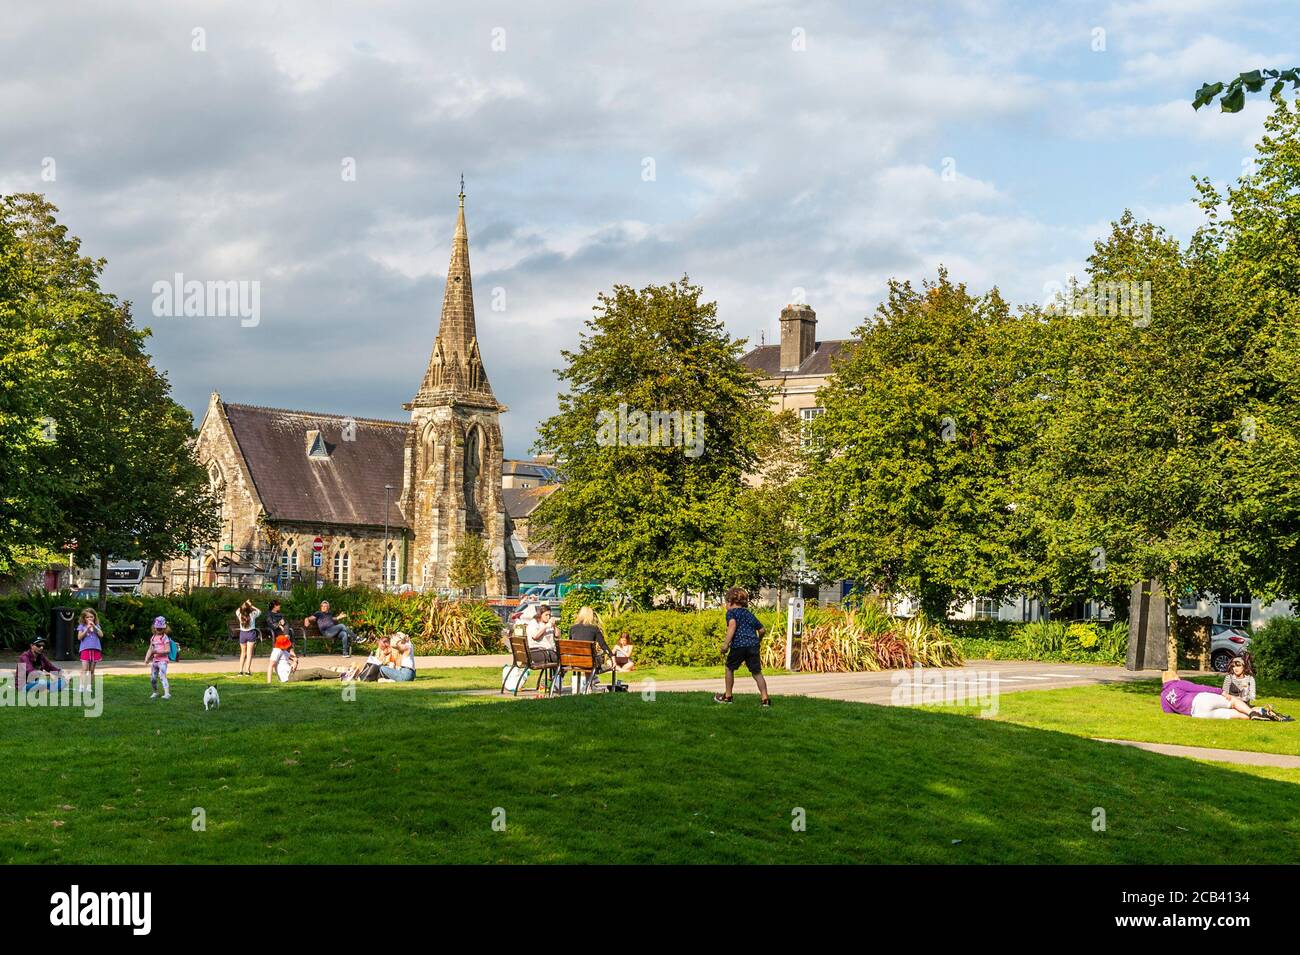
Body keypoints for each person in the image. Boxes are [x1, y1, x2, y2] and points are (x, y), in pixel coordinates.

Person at [714, 587, 771, 707]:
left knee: (729, 668)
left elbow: (732, 626)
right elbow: (762, 630)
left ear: (730, 602)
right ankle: (765, 699)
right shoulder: (749, 614)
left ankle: (728, 696)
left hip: (739, 645)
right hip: (753, 646)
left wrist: (725, 644)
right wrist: (758, 641)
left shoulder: (731, 613)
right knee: (757, 672)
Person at [1159, 678, 1285, 720]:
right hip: (1201, 700)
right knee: (1235, 702)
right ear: (1174, 678)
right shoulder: (1177, 683)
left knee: (1236, 714)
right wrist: (1220, 691)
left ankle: (1264, 715)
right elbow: (1198, 688)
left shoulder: (1163, 696)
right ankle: (1254, 712)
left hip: (1197, 713)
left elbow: (1168, 712)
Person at [567, 606, 614, 690]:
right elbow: (603, 645)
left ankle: (589, 685)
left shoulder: (572, 628)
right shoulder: (594, 629)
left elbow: (570, 644)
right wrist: (612, 656)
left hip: (575, 661)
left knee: (587, 660)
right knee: (593, 659)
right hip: (589, 662)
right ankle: (591, 683)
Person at [145, 616, 172, 700]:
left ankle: (167, 694)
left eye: (161, 628)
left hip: (163, 661)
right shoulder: (153, 637)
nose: (159, 630)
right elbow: (150, 649)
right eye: (158, 628)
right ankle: (155, 692)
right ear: (154, 628)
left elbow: (168, 650)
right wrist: (146, 658)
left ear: (164, 628)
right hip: (155, 661)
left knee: (162, 675)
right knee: (153, 678)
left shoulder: (165, 638)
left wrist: (156, 652)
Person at [76, 608, 104, 685]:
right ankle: (81, 685)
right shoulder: (82, 626)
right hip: (85, 649)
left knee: (91, 670)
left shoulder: (97, 625)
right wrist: (87, 629)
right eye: (87, 617)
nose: (89, 618)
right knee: (85, 668)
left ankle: (89, 686)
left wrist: (94, 626)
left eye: (91, 616)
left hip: (95, 649)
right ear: (84, 618)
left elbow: (101, 635)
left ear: (94, 617)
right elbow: (79, 637)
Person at [235, 600, 261, 676]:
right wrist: (251, 606)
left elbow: (237, 610)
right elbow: (259, 611)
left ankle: (240, 671)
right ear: (249, 609)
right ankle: (247, 671)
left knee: (243, 653)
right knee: (249, 654)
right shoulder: (253, 614)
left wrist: (244, 604)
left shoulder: (239, 614)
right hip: (251, 634)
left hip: (243, 634)